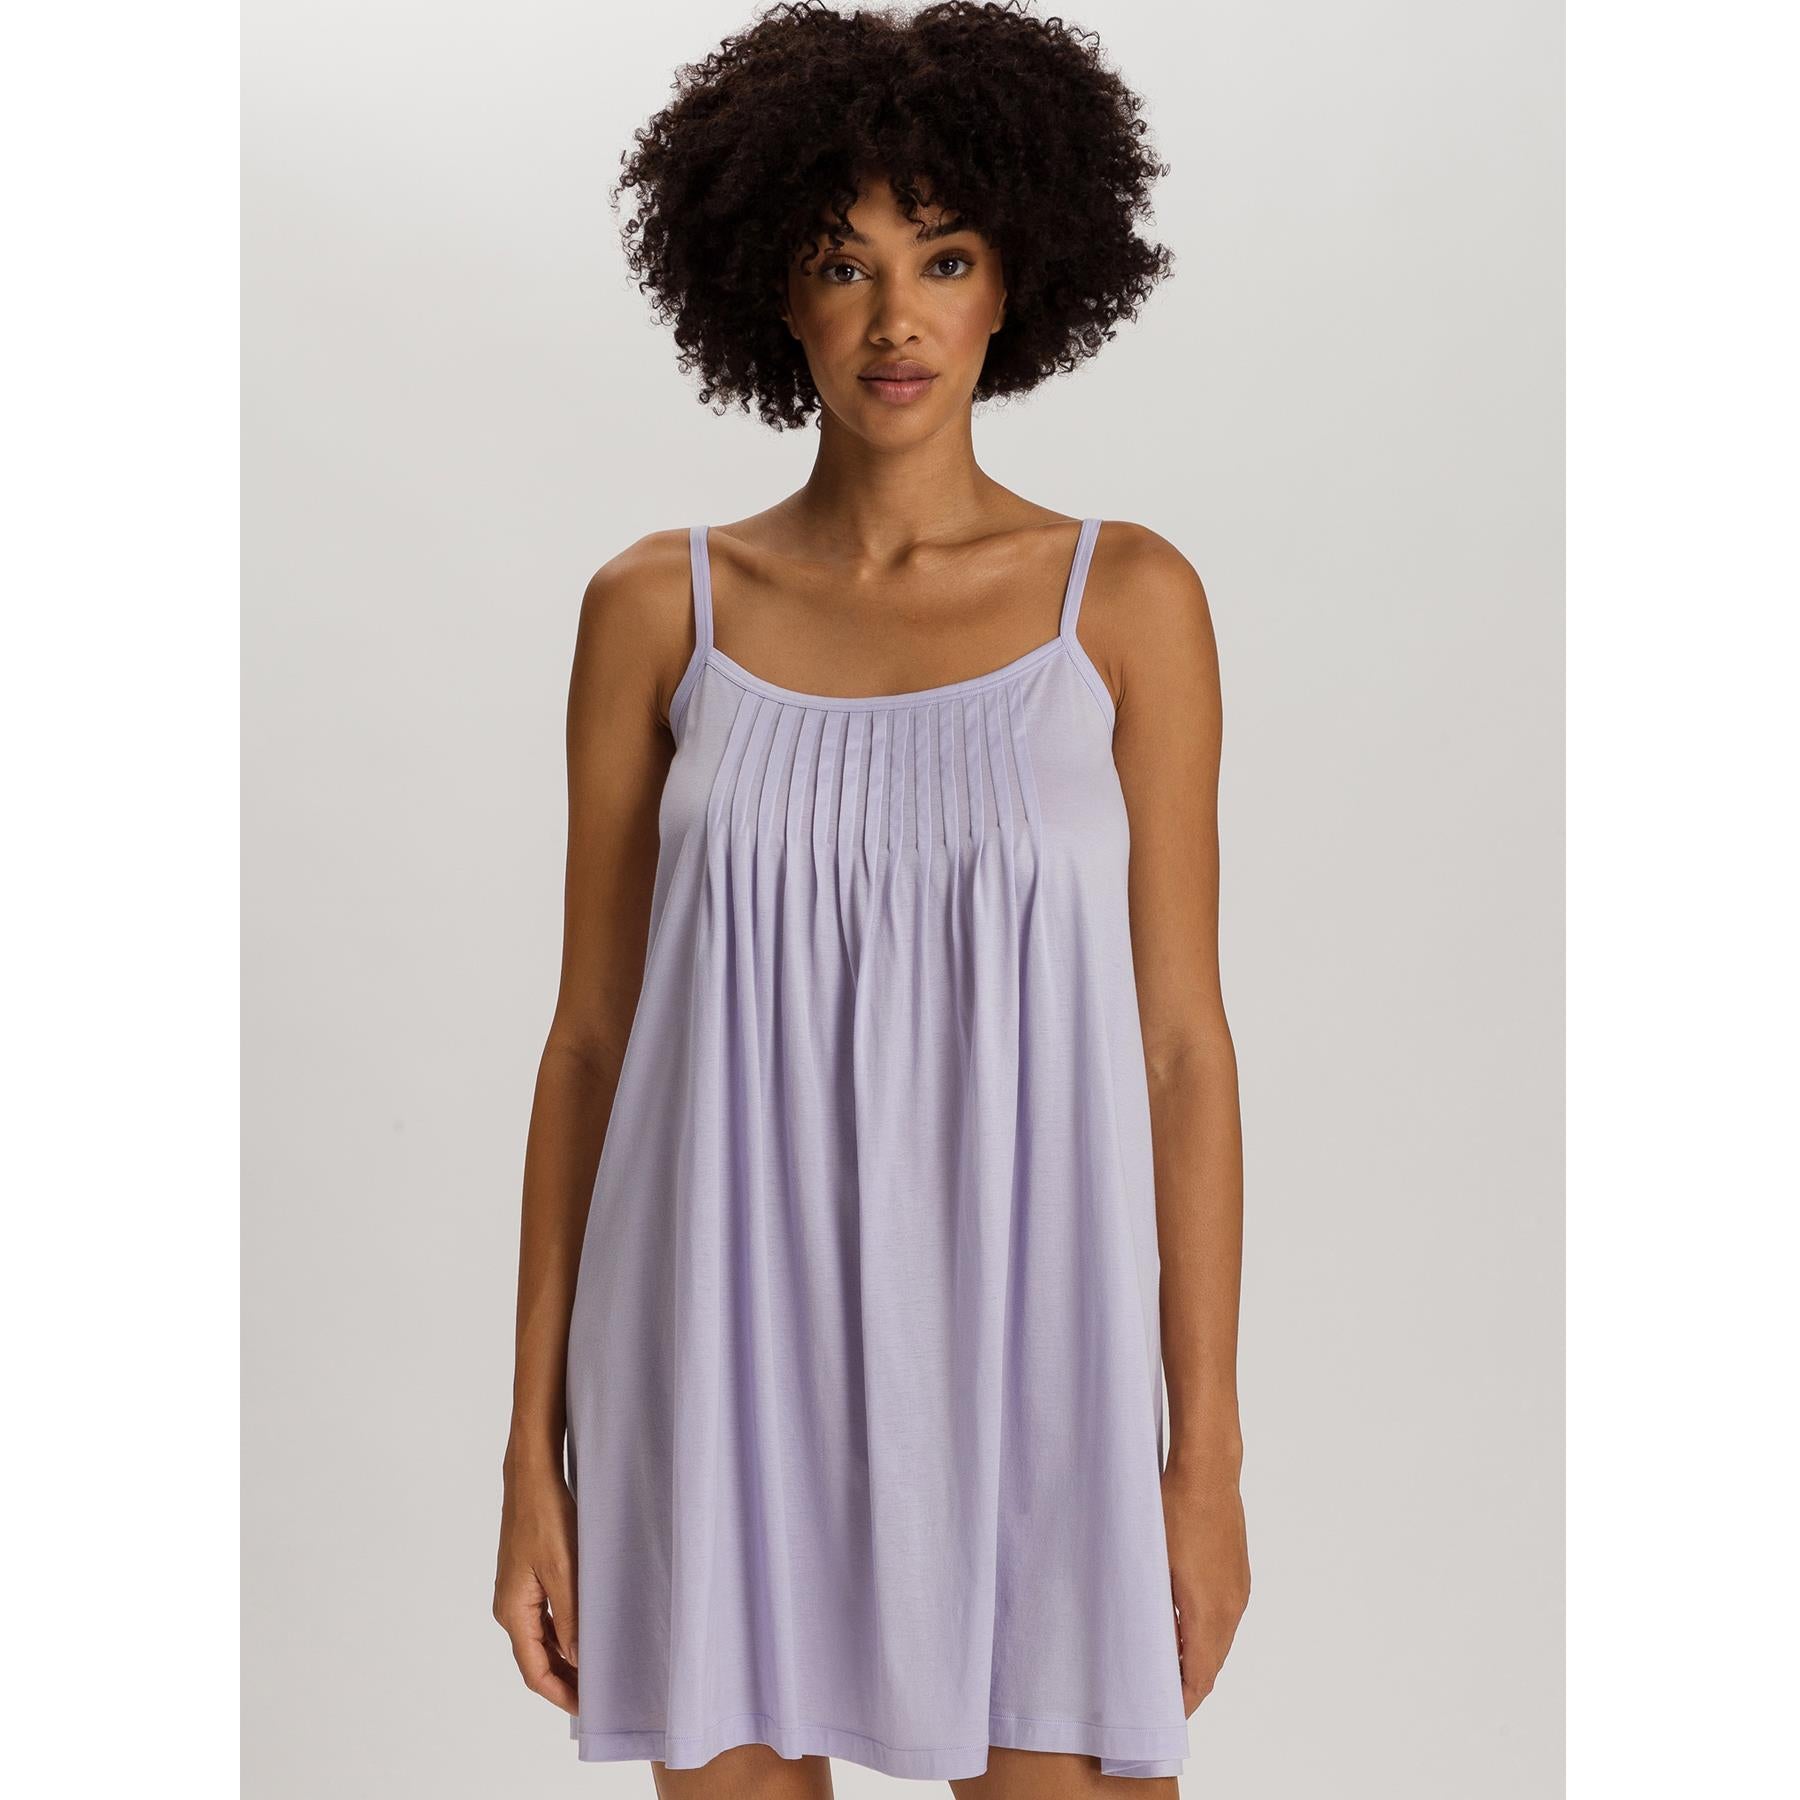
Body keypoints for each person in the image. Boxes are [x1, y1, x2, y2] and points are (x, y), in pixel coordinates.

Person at [493, 4, 1249, 1795]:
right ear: (775, 290)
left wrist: (1204, 1458)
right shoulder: (657, 610)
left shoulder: (1125, 603)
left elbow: (1180, 1051)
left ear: (1016, 283)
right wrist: (532, 1454)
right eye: (846, 264)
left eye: (945, 258)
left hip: (1035, 1354)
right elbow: (591, 1043)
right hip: (713, 1350)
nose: (897, 317)